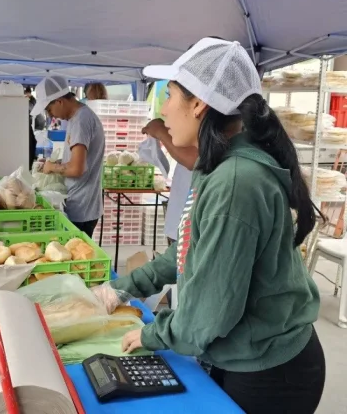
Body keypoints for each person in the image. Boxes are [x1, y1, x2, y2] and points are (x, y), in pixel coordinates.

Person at [92, 38, 326, 414]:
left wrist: (154, 333)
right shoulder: (220, 166)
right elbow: (187, 250)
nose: (163, 110)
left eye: (169, 96)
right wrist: (123, 289)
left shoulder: (236, 183)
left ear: (199, 104)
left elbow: (211, 311)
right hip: (246, 355)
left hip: (270, 371)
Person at [35, 75, 105, 237]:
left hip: (81, 208)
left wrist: (52, 167)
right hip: (80, 205)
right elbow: (77, 160)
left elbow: (76, 169)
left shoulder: (81, 120)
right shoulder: (77, 118)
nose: (51, 116)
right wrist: (56, 162)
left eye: (49, 110)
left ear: (59, 101)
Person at [142, 119, 195, 245]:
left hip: (190, 229)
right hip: (181, 223)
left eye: (171, 98)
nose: (164, 109)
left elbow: (193, 160)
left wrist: (161, 131)